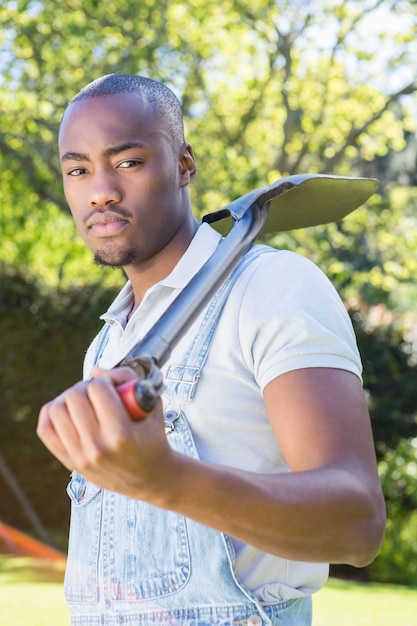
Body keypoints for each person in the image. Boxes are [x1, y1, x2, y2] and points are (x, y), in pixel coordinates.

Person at [37, 73, 386, 626]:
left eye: (127, 161)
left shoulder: (271, 286)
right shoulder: (109, 342)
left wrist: (168, 479)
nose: (99, 190)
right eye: (77, 170)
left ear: (183, 165)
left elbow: (358, 524)